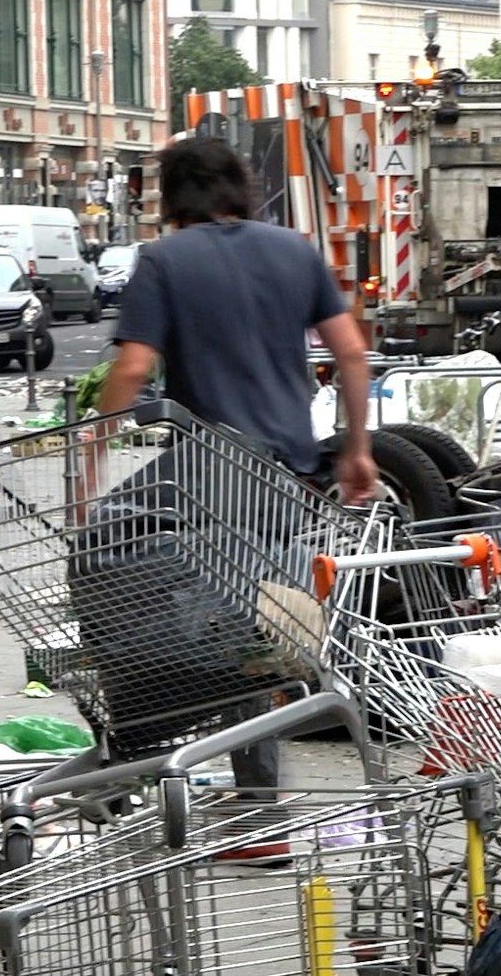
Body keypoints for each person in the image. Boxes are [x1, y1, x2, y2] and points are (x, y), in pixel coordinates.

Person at [93, 136, 378, 814]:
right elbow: (352, 354)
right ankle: (261, 811)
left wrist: (90, 453)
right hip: (289, 473)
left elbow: (132, 369)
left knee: (103, 551)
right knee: (243, 628)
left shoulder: (163, 260)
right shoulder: (293, 250)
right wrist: (359, 449)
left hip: (214, 468)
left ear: (170, 194)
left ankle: (134, 744)